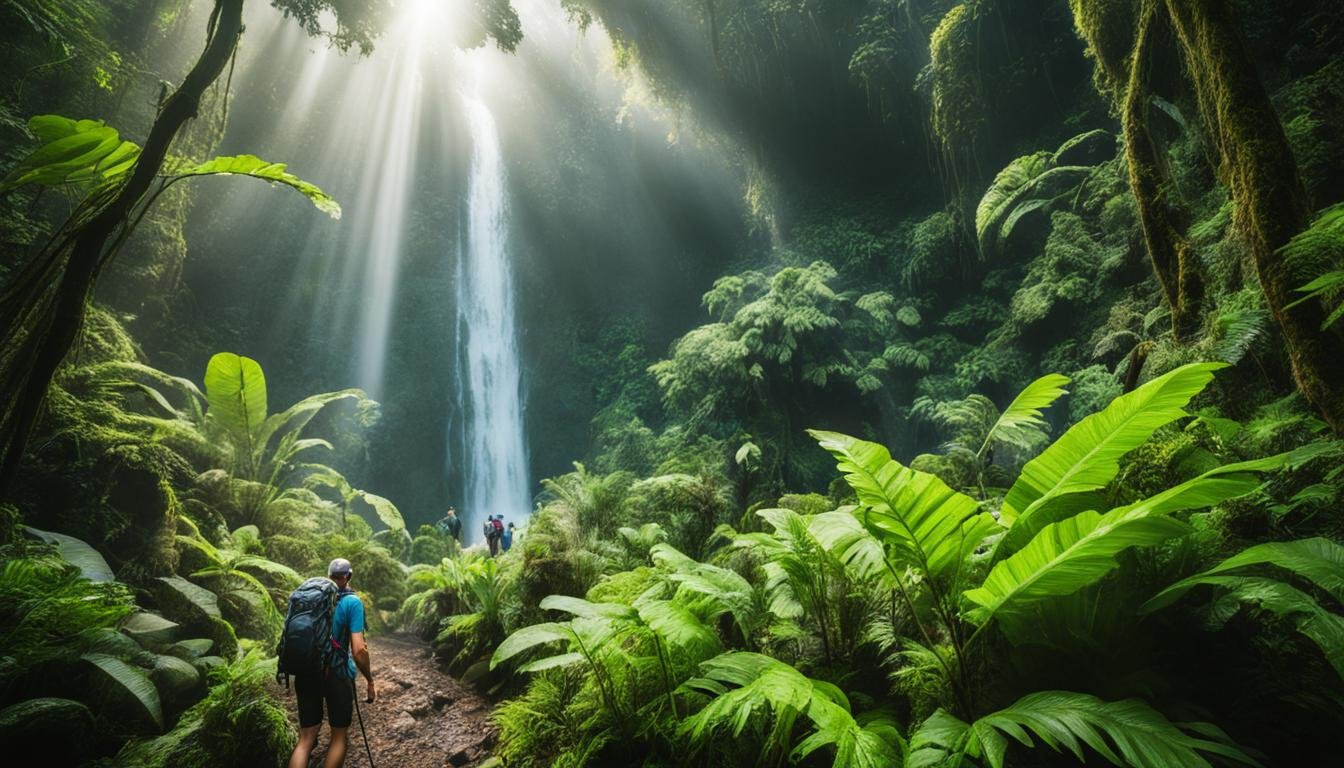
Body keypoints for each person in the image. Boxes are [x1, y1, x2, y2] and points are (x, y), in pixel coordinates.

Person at [288, 558, 377, 768]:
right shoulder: (352, 602)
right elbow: (358, 649)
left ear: (328, 576)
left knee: (306, 739)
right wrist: (370, 680)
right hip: (337, 673)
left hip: (306, 671)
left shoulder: (311, 599)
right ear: (349, 576)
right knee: (338, 737)